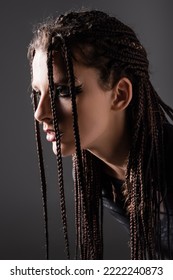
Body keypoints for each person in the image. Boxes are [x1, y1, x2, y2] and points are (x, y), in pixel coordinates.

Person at [28, 9, 173, 260]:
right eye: (37, 94)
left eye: (63, 91)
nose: (40, 114)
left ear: (120, 95)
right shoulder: (97, 173)